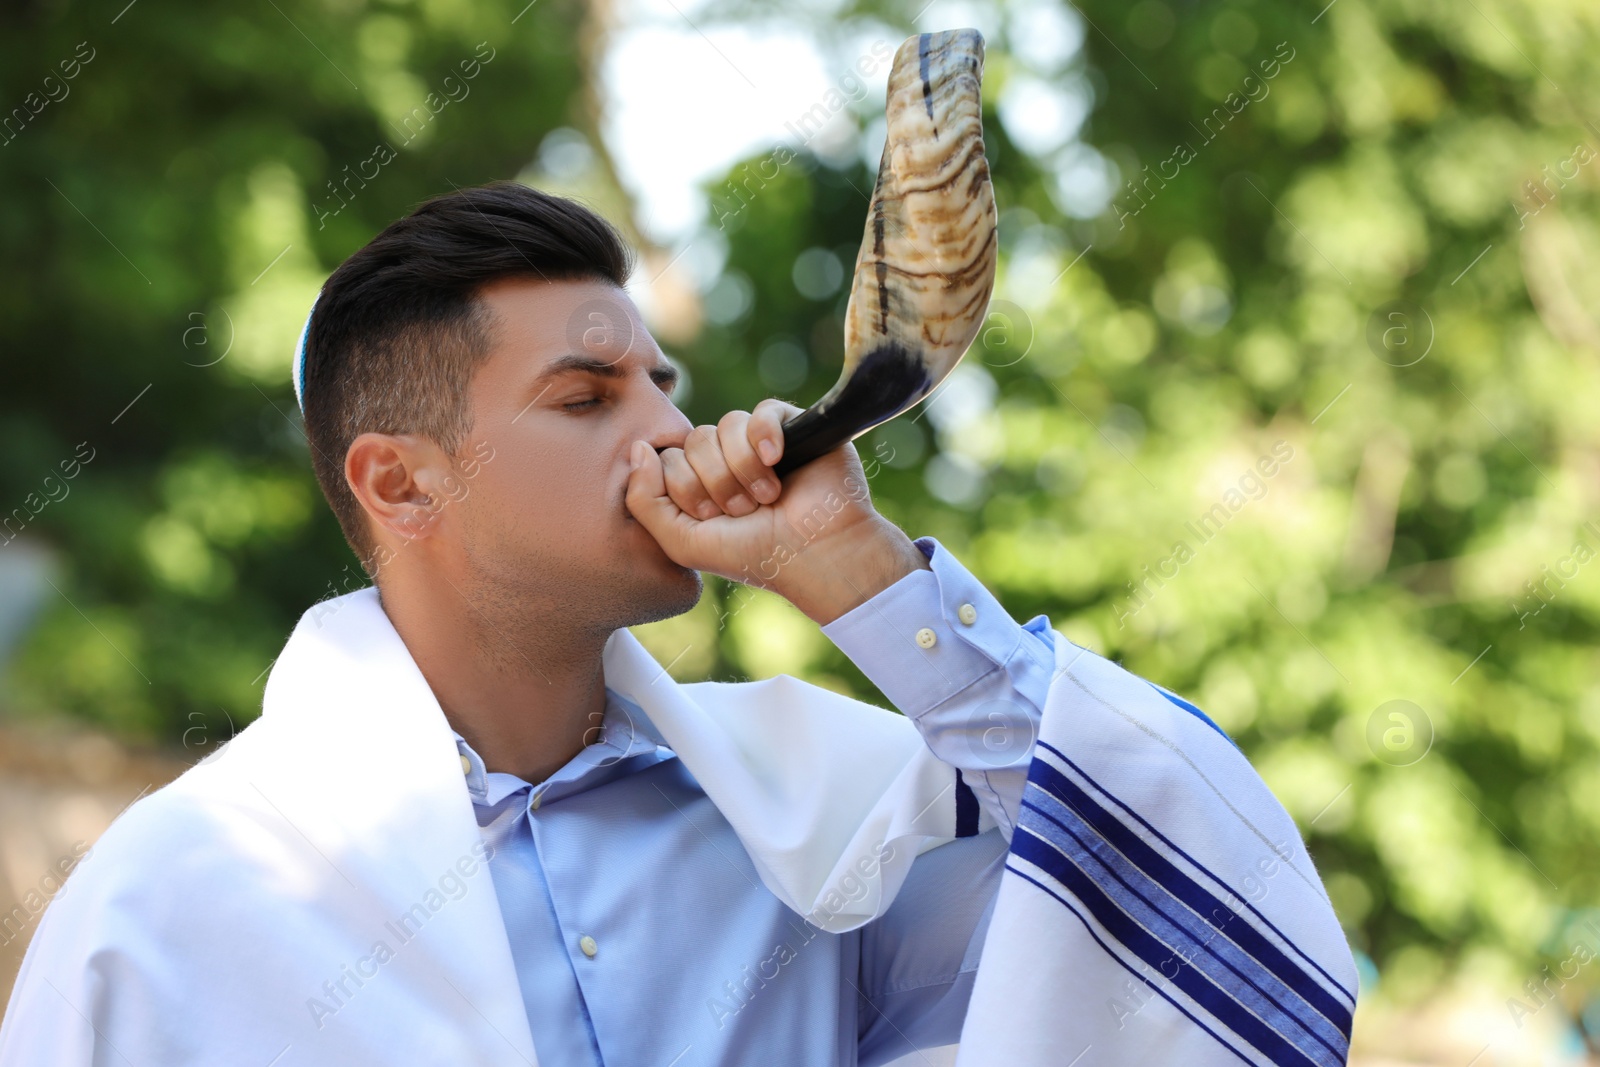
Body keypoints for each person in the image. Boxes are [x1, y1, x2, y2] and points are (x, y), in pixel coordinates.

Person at [0, 181, 1355, 1066]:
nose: (670, 430)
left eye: (664, 382)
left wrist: (861, 570)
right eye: (588, 399)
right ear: (401, 482)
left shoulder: (816, 821)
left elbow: (1193, 915)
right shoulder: (178, 900)